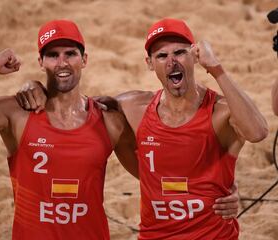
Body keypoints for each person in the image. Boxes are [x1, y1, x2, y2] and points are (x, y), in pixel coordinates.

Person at [16, 18, 268, 239]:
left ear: (194, 56)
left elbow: (257, 132)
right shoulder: (132, 106)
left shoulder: (221, 110)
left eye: (179, 52)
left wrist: (216, 68)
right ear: (149, 63)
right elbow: (74, 106)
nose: (171, 62)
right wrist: (35, 86)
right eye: (162, 56)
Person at [0, 20, 139, 240]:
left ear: (84, 60)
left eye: (70, 54)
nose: (62, 63)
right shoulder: (17, 113)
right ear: (41, 62)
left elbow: (150, 172)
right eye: (53, 55)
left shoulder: (108, 119)